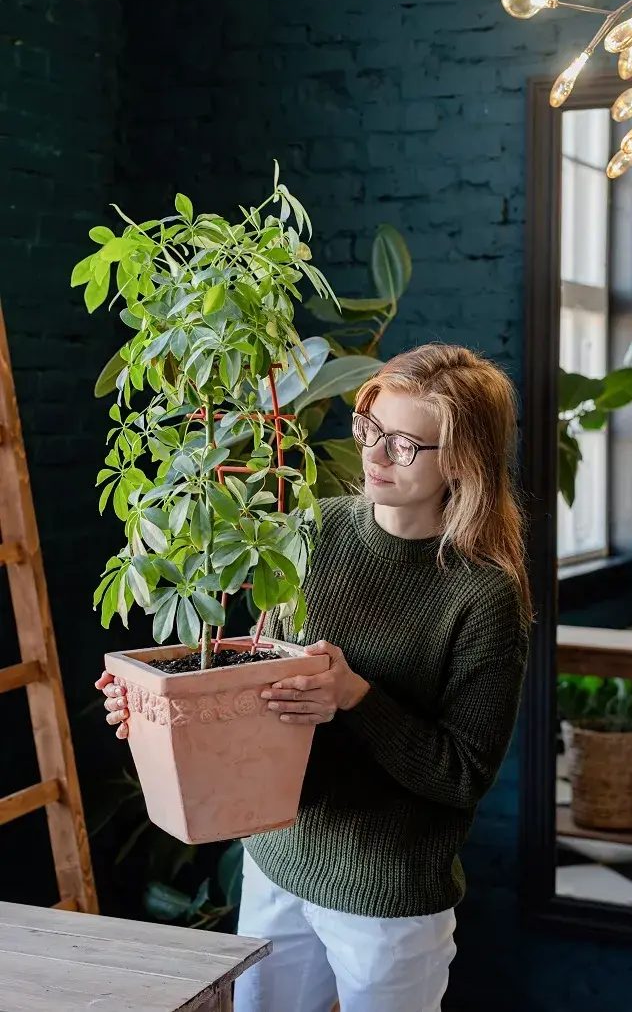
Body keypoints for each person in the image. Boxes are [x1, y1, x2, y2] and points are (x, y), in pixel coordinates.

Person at [95, 343, 531, 1012]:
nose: (376, 456)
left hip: (387, 899)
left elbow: (463, 772)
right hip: (279, 862)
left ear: (463, 460)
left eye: (406, 444)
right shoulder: (313, 531)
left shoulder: (482, 595)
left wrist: (356, 696)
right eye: (371, 430)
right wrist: (162, 710)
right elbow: (254, 682)